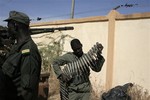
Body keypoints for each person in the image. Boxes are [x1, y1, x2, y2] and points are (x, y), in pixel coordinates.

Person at [2, 11, 42, 100]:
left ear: (15, 25)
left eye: (9, 26)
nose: (7, 29)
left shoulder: (29, 51)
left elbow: (27, 92)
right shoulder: (17, 48)